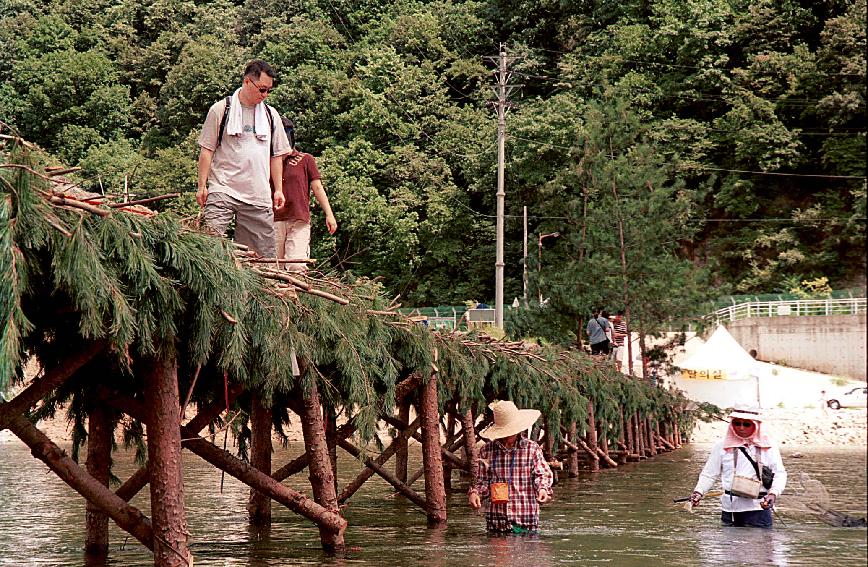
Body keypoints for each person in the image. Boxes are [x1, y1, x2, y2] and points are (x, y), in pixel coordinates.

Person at [197, 60, 292, 257]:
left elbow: (276, 156)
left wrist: (279, 190)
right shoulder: (221, 110)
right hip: (223, 188)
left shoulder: (270, 115)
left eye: (269, 91)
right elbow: (207, 150)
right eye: (262, 89)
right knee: (208, 246)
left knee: (261, 257)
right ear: (247, 82)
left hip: (258, 193)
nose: (265, 95)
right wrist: (201, 186)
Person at [690, 405, 787, 528]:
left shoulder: (768, 447)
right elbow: (709, 474)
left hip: (758, 509)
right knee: (730, 546)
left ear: (756, 425)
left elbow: (779, 473)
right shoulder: (721, 446)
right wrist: (699, 492)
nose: (741, 428)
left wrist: (773, 493)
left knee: (762, 546)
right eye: (737, 423)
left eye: (746, 424)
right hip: (730, 510)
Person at [468, 400, 554, 534]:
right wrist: (475, 493)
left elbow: (542, 474)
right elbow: (483, 482)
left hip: (526, 519)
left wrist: (543, 489)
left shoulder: (531, 449)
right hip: (496, 520)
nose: (508, 435)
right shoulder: (487, 451)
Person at [273, 117, 337, 271]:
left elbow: (317, 187)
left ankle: (294, 294)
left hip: (299, 218)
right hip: (273, 219)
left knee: (296, 264)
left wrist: (329, 214)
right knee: (272, 266)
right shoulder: (269, 161)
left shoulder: (305, 159)